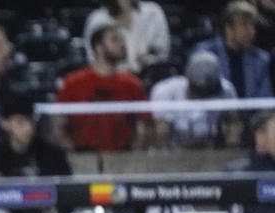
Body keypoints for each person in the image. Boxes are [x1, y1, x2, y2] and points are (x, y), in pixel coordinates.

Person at [54, 24, 149, 152]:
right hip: (84, 157)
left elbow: (142, 126)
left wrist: (132, 157)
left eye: (122, 40)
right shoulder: (73, 82)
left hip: (123, 157)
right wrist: (75, 154)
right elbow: (58, 125)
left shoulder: (133, 84)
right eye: (115, 40)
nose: (122, 44)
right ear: (99, 48)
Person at [150, 51, 240, 149]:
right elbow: (161, 132)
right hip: (174, 151)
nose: (205, 97)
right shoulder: (166, 91)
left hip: (211, 150)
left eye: (208, 93)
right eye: (201, 92)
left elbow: (233, 122)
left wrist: (231, 147)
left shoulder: (226, 90)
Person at [194, 1, 272, 99]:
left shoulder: (261, 60)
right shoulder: (205, 54)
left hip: (253, 113)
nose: (251, 31)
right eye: (244, 25)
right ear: (229, 28)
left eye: (253, 25)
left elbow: (264, 100)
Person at [83, 0, 170, 74]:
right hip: (111, 78)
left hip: (149, 75)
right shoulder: (97, 19)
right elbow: (92, 58)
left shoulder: (153, 13)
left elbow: (162, 53)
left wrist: (148, 59)